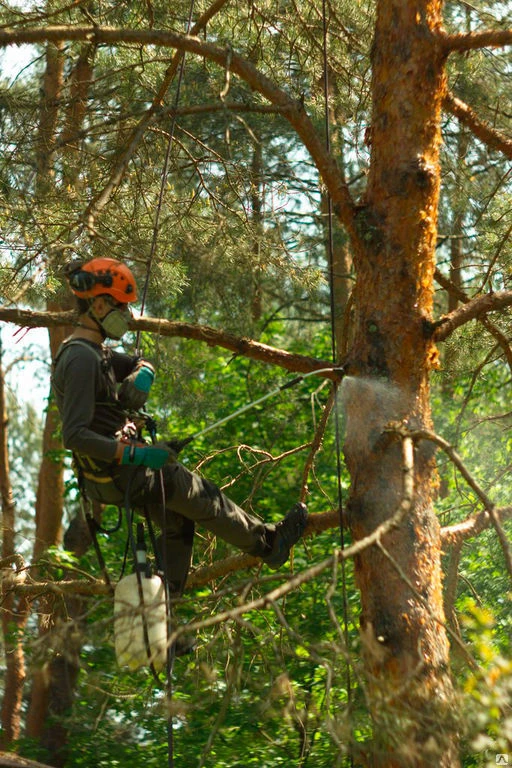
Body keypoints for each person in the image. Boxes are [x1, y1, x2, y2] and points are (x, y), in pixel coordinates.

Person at [51, 257, 308, 599]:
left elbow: (134, 363)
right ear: (98, 304)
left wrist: (145, 370)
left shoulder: (96, 352)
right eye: (121, 307)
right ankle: (269, 543)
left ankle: (164, 617)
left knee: (177, 523)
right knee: (200, 494)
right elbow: (75, 436)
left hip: (111, 475)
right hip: (117, 472)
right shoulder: (81, 359)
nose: (128, 316)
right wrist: (137, 453)